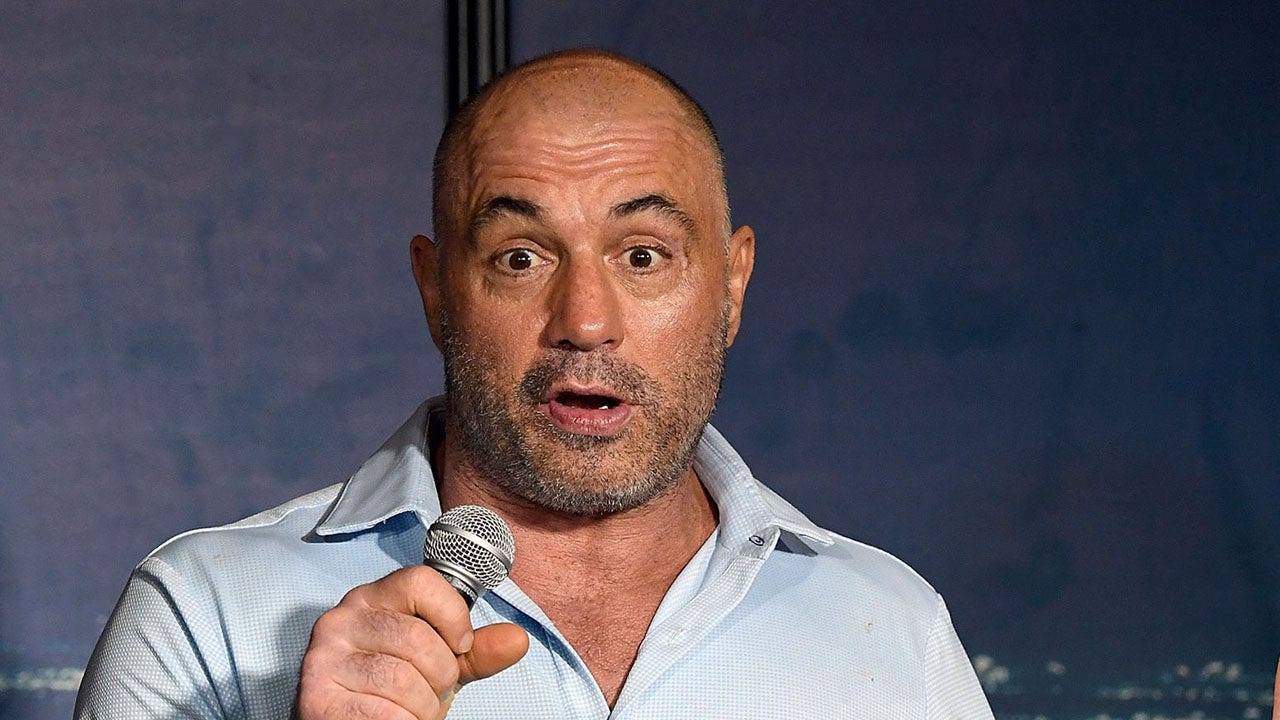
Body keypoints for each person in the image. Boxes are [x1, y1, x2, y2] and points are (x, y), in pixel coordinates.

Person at [75, 49, 993, 719]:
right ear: (437, 291)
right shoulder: (206, 619)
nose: (585, 320)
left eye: (644, 255)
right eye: (520, 257)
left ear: (733, 285)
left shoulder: (892, 628)